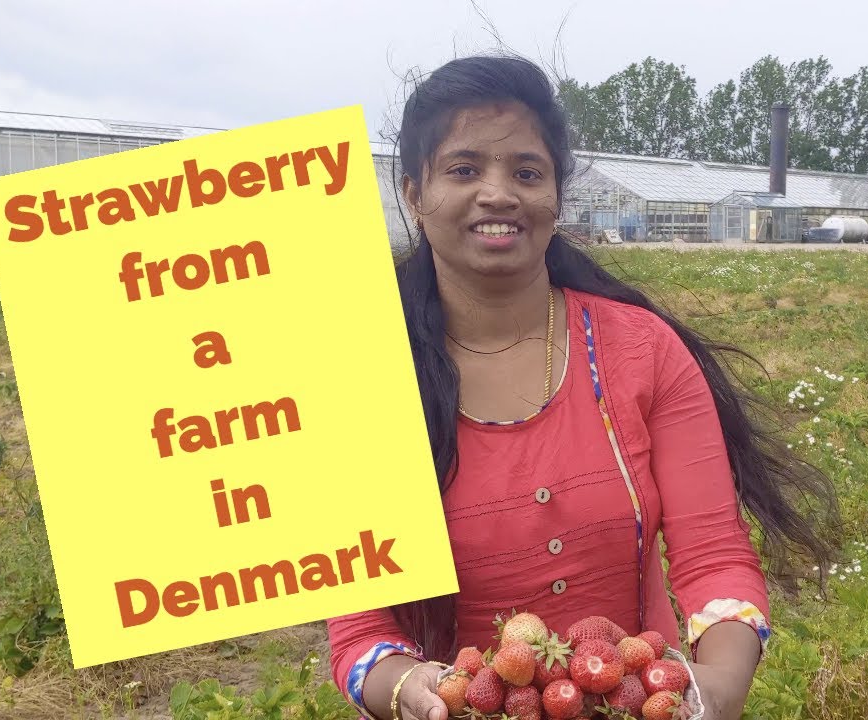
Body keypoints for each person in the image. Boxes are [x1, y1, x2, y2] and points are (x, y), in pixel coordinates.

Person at [326, 54, 839, 720]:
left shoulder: (644, 351)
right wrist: (405, 687)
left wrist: (717, 688)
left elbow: (714, 556)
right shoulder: (359, 379)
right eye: (464, 169)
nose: (499, 192)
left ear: (556, 196)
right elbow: (359, 626)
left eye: (527, 172)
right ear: (414, 194)